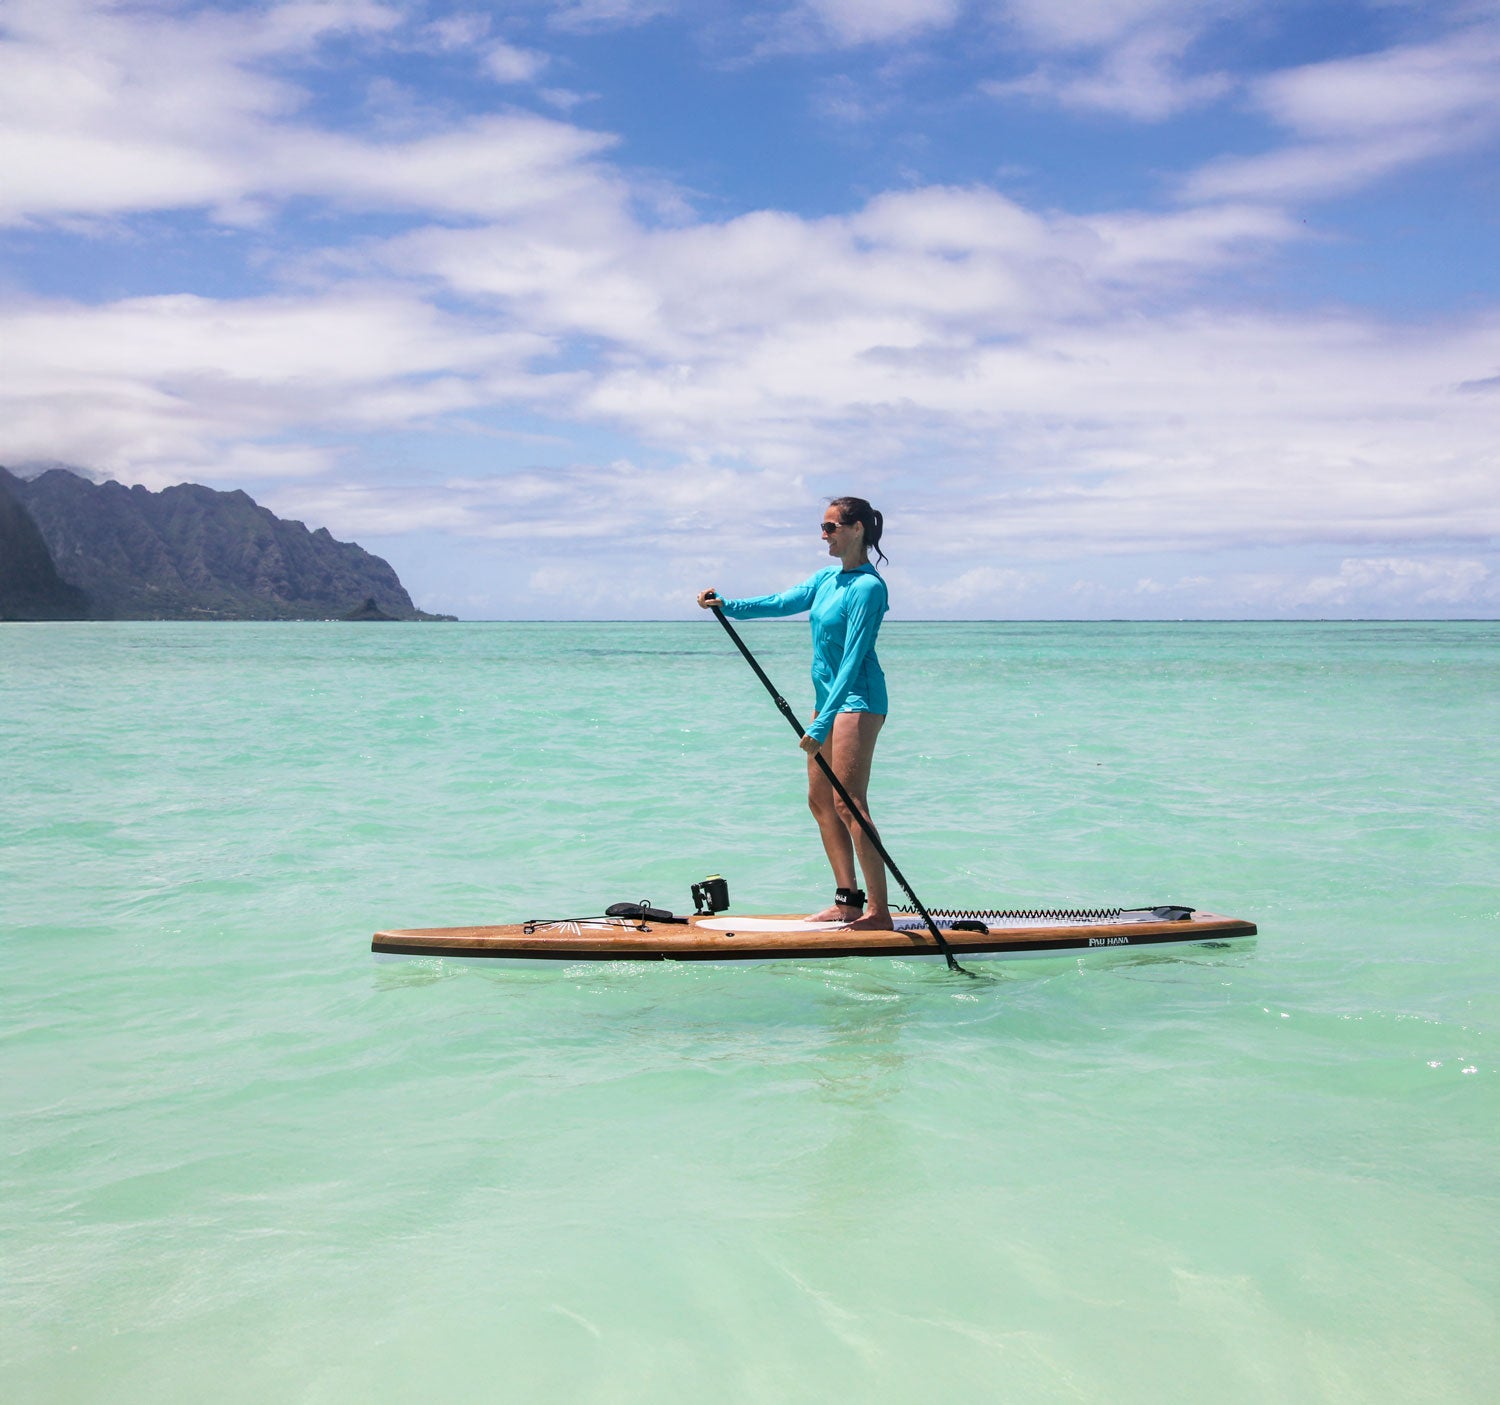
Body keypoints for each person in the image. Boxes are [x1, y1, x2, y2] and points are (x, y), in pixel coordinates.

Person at [697, 496, 893, 930]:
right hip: (828, 704)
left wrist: (824, 719)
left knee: (850, 803)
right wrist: (727, 605)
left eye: (829, 527)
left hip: (857, 701)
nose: (823, 535)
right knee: (820, 801)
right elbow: (782, 602)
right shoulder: (827, 578)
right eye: (822, 528)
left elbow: (854, 659)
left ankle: (880, 914)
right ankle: (848, 901)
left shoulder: (868, 588)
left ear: (856, 528)